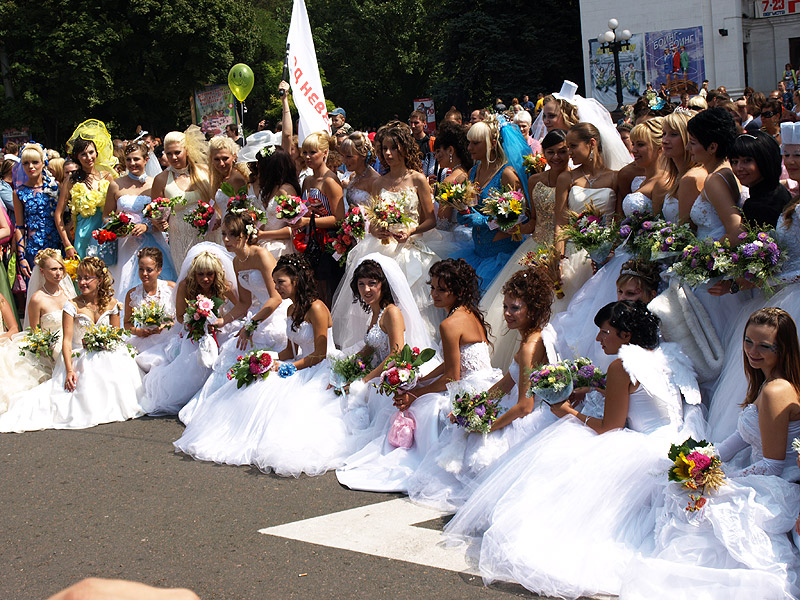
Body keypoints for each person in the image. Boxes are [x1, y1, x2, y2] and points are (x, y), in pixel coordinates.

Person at [444, 300, 702, 599]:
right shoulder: (663, 356)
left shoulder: (622, 365)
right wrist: (593, 386)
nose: (598, 339)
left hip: (641, 449)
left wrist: (568, 412)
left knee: (563, 447)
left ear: (626, 336)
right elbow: (640, 396)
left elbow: (610, 428)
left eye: (605, 332)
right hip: (673, 439)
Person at [624, 308, 800, 598]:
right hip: (765, 476)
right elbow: (739, 440)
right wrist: (700, 460)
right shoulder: (766, 382)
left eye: (764, 346)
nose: (753, 352)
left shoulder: (776, 390)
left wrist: (718, 479)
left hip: (777, 485)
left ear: (783, 349)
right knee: (675, 480)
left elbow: (772, 466)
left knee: (701, 504)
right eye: (748, 341)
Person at [174, 254, 350, 477]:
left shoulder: (316, 308)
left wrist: (291, 367)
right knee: (254, 384)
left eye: (281, 283)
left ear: (296, 281)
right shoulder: (290, 309)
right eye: (275, 283)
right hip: (300, 363)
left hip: (320, 367)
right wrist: (267, 359)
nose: (277, 288)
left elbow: (320, 354)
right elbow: (289, 351)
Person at [337, 259, 495, 493]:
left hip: (467, 389)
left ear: (458, 290)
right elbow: (452, 365)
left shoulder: (450, 323)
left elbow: (452, 377)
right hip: (483, 380)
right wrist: (422, 381)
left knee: (423, 409)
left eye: (441, 289)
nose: (434, 294)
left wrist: (415, 393)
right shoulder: (468, 312)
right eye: (432, 287)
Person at [406, 267, 553, 510]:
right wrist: (472, 407)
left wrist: (485, 425)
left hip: (526, 417)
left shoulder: (529, 348)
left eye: (515, 308)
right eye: (505, 307)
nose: (507, 314)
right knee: (461, 425)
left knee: (476, 444)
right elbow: (505, 384)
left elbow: (524, 406)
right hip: (511, 402)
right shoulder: (532, 337)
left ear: (533, 309)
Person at [0, 257, 145, 433]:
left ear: (99, 279)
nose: (82, 282)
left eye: (87, 278)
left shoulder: (112, 303)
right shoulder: (72, 306)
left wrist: (111, 346)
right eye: (80, 278)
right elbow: (66, 341)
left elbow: (117, 336)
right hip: (80, 354)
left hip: (108, 351)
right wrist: (69, 370)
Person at [331, 121, 440, 349]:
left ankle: (412, 349)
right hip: (381, 247)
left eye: (393, 148)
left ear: (404, 148)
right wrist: (375, 228)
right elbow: (372, 218)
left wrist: (412, 230)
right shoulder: (379, 182)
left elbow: (431, 220)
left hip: (409, 250)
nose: (388, 154)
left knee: (411, 305)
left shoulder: (418, 179)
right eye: (384, 149)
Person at [177, 212, 289, 424]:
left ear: (245, 235)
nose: (226, 239)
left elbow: (276, 297)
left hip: (275, 314)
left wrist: (251, 325)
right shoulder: (238, 262)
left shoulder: (261, 255)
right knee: (231, 354)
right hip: (256, 314)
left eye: (232, 234)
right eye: (224, 234)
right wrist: (222, 320)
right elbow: (244, 303)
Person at [480, 128, 570, 369]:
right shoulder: (534, 180)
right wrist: (511, 225)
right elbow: (533, 222)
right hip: (534, 245)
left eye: (563, 152)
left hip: (564, 247)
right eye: (551, 152)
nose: (557, 158)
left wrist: (558, 255)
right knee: (521, 304)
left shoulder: (574, 180)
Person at [451, 115, 531, 293]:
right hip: (477, 252)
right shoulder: (473, 172)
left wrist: (486, 221)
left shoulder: (507, 174)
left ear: (493, 143)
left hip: (501, 256)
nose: (469, 147)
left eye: (476, 143)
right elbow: (472, 206)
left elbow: (518, 217)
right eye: (469, 142)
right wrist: (463, 213)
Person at [103, 140, 177, 300]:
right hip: (126, 243)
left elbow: (164, 216)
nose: (132, 163)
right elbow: (106, 215)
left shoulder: (155, 183)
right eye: (129, 159)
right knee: (124, 282)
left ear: (146, 160)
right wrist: (117, 228)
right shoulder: (116, 185)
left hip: (152, 239)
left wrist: (147, 226)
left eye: (136, 159)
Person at [554, 122, 618, 304]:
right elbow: (560, 222)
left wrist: (610, 251)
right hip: (574, 255)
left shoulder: (615, 177)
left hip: (607, 256)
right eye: (567, 147)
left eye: (573, 146)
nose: (569, 153)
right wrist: (558, 258)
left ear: (591, 143)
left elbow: (619, 221)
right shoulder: (567, 178)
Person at [150, 126, 214, 271]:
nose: (173, 157)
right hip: (180, 239)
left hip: (208, 233)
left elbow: (217, 199)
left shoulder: (204, 170)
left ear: (187, 150)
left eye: (177, 152)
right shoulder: (161, 179)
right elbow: (154, 212)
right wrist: (158, 221)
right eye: (169, 153)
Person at [292, 131, 345, 305]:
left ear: (325, 153)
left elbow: (339, 218)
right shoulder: (307, 180)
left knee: (326, 293)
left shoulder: (330, 180)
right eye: (305, 152)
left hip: (328, 244)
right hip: (310, 240)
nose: (307, 157)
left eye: (312, 152)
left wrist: (309, 221)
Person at [55, 120, 118, 259]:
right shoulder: (71, 181)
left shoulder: (108, 177)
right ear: (77, 157)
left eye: (91, 152)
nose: (88, 157)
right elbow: (58, 214)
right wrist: (67, 244)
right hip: (82, 240)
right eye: (83, 154)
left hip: (105, 238)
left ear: (97, 152)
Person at [12, 144, 62, 284]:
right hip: (33, 251)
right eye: (26, 163)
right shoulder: (18, 193)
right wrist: (21, 258)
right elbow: (20, 227)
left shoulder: (55, 187)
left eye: (35, 162)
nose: (31, 167)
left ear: (43, 163)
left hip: (56, 247)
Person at [731, 131, 791, 227]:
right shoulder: (778, 189)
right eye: (735, 161)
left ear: (764, 160)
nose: (739, 168)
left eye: (747, 160)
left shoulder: (758, 206)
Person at [123, 247, 176, 357]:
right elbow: (127, 324)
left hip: (169, 337)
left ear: (159, 269)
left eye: (149, 270)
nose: (144, 273)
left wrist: (167, 326)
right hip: (146, 341)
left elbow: (182, 318)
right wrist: (138, 331)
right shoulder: (132, 294)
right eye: (141, 269)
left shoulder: (171, 288)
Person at [255, 144, 301, 258]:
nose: (257, 166)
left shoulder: (286, 190)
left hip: (281, 249)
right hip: (263, 244)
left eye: (260, 164)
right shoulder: (266, 189)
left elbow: (294, 229)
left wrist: (263, 235)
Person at [340, 131, 379, 209]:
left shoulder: (374, 180)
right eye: (342, 156)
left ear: (363, 155)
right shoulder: (353, 176)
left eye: (349, 156)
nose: (344, 161)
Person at [208, 135, 249, 209]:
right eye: (217, 159)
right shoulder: (219, 177)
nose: (221, 164)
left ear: (234, 156)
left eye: (225, 158)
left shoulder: (237, 179)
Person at [409, 110, 437, 179]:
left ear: (424, 123)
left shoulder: (432, 142)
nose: (413, 126)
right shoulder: (407, 141)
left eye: (416, 123)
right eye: (411, 122)